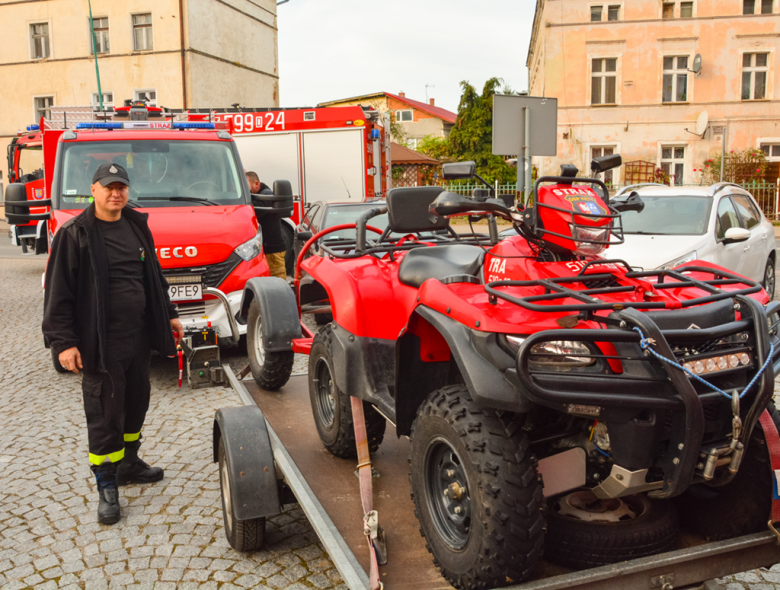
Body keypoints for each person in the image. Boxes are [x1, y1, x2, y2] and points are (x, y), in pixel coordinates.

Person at [42, 163, 185, 525]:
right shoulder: (76, 234)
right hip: (98, 343)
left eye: (121, 186)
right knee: (105, 412)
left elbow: (153, 275)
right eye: (108, 187)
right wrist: (64, 343)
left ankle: (129, 463)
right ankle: (107, 485)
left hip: (137, 336)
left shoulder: (137, 226)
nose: (115, 193)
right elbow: (58, 294)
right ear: (93, 190)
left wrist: (168, 313)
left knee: (137, 402)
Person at [246, 171, 288, 280]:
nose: (245, 189)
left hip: (273, 252)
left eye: (246, 184)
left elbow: (252, 210)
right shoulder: (259, 195)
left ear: (257, 184)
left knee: (278, 284)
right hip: (266, 250)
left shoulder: (267, 195)